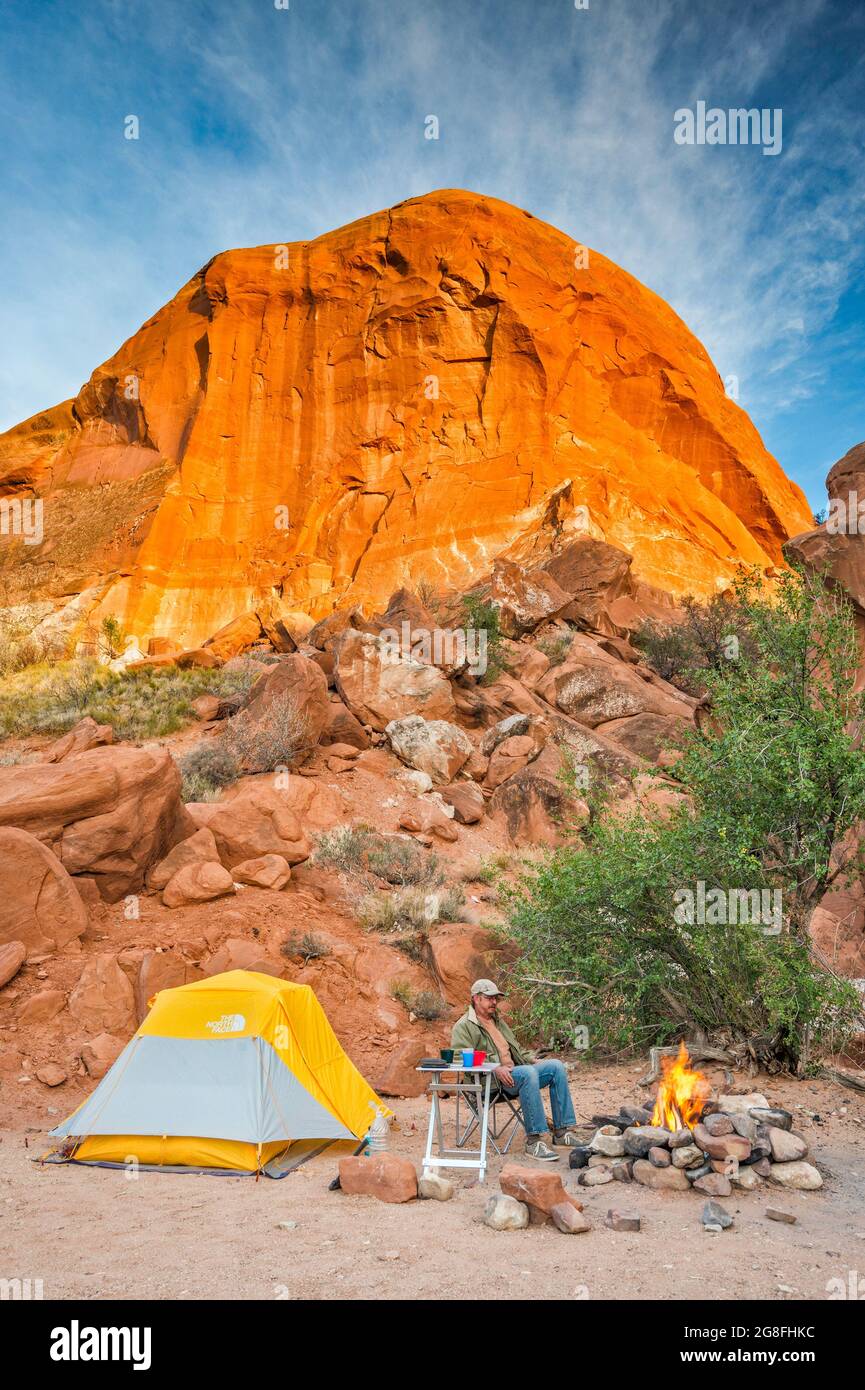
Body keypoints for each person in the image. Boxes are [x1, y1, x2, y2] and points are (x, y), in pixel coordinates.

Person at [450, 978, 580, 1161]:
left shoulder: (497, 1021)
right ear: (476, 999)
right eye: (489, 998)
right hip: (490, 1082)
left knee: (556, 1067)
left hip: (514, 1075)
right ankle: (534, 1142)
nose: (494, 1002)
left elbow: (516, 1048)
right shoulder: (464, 1026)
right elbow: (459, 1057)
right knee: (528, 1073)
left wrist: (530, 1059)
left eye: (496, 998)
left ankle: (561, 1133)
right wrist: (495, 1068)